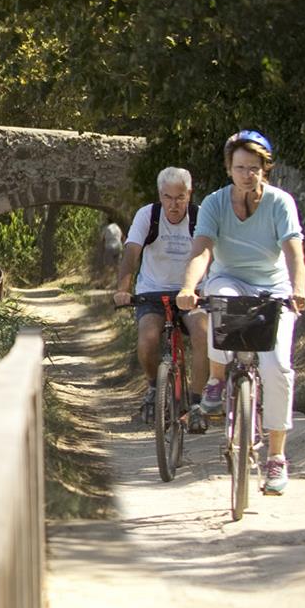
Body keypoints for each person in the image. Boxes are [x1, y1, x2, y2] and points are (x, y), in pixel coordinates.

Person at [176, 130, 305, 496]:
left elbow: (294, 252)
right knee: (217, 297)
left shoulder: (281, 203)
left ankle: (277, 458)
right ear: (229, 169)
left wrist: (299, 289)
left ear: (265, 169)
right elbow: (202, 250)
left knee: (277, 367)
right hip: (229, 279)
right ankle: (217, 379)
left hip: (274, 288)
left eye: (254, 168)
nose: (247, 175)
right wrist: (189, 288)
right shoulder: (216, 203)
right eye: (240, 168)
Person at [113, 167, 211, 426]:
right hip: (152, 291)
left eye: (180, 197)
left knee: (203, 334)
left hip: (191, 292)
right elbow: (132, 252)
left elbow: (208, 255)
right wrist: (123, 289)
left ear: (189, 194)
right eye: (167, 197)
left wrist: (206, 289)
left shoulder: (201, 217)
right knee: (147, 340)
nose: (173, 204)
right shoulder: (148, 215)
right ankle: (155, 388)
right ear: (160, 195)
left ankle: (198, 404)